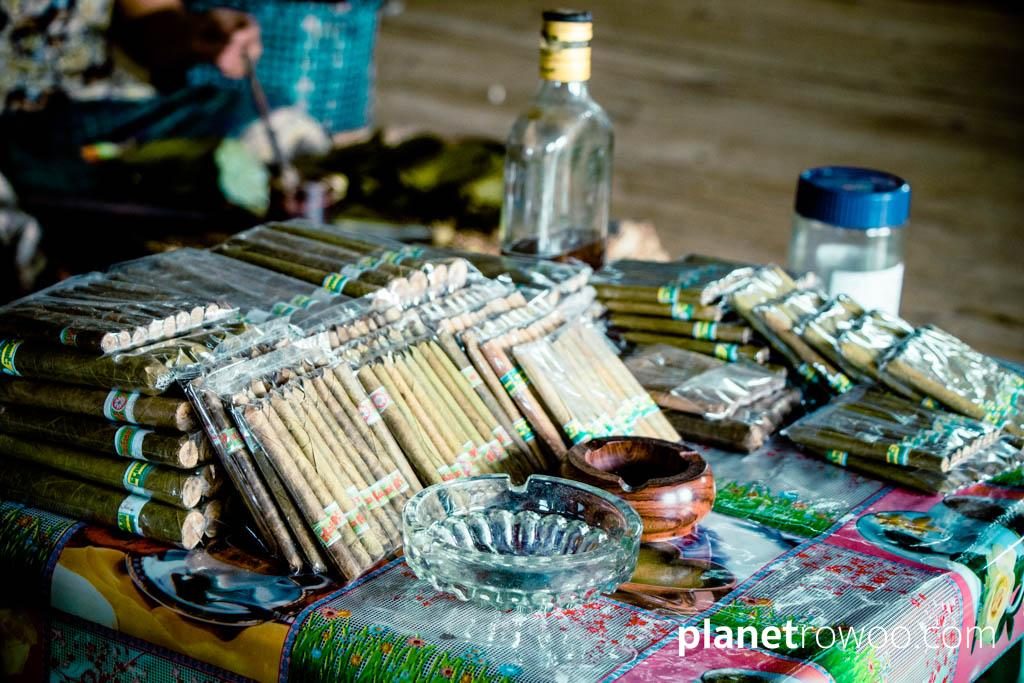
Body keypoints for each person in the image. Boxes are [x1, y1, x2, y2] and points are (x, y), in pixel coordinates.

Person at [0, 0, 264, 198]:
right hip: (11, 117)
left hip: (80, 113)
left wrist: (199, 34)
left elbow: (154, 31)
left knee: (230, 110)